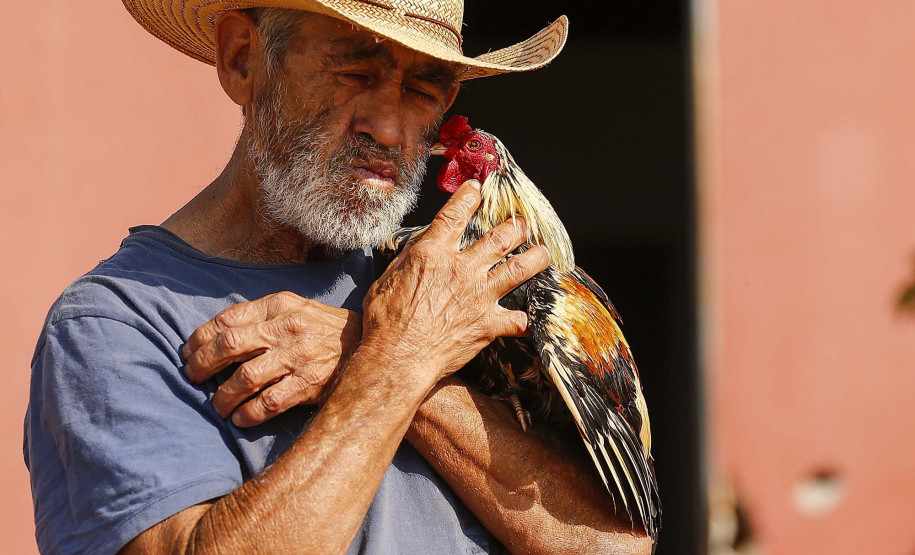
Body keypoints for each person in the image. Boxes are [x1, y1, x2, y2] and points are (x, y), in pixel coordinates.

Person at [24, 2, 652, 553]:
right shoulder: (114, 327)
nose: (388, 127)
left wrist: (375, 356)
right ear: (243, 60)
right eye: (354, 73)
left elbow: (611, 548)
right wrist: (397, 360)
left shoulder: (437, 293)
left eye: (424, 90)